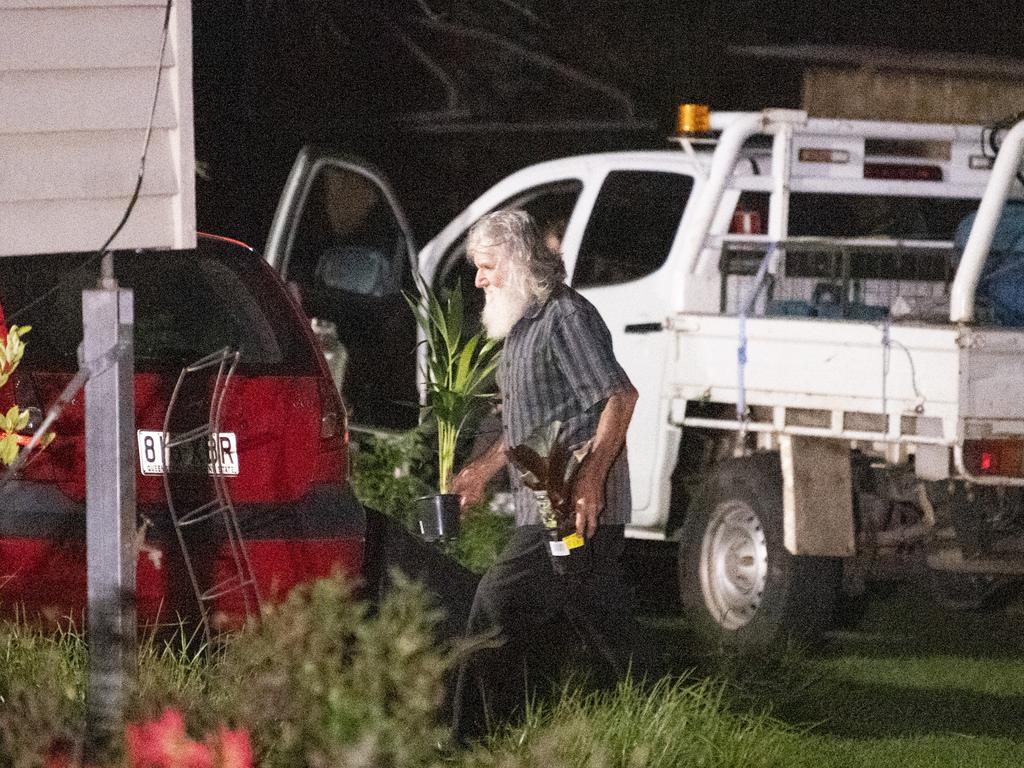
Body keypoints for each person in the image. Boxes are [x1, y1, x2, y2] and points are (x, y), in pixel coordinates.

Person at [449, 209, 639, 740]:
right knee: (589, 616)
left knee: (494, 602)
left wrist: (592, 478)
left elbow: (619, 397)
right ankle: (648, 706)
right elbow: (526, 426)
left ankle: (467, 737)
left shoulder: (565, 318)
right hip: (547, 498)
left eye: (486, 267)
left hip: (570, 504)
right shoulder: (520, 328)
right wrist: (481, 472)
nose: (480, 279)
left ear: (513, 261)